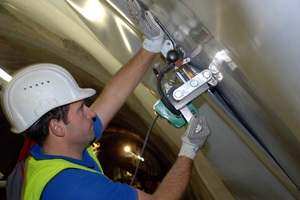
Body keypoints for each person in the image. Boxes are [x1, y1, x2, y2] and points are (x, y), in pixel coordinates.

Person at [1, 0, 210, 199]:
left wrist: (152, 45)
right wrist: (190, 148)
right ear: (56, 127)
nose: (92, 113)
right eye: (81, 110)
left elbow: (114, 94)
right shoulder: (76, 188)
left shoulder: (59, 151)